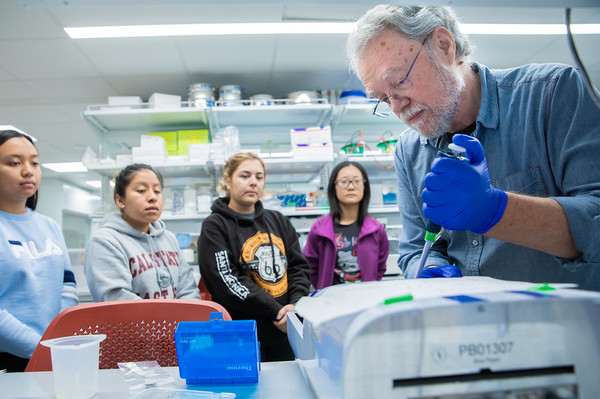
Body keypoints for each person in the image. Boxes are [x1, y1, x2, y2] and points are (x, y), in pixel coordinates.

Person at [346, 5, 600, 290]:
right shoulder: (410, 150)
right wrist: (431, 268)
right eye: (382, 98)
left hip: (569, 326)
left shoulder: (553, 94)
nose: (396, 105)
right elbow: (417, 247)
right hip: (470, 326)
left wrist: (497, 211)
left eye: (400, 82)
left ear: (443, 46)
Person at [197, 152, 310, 362]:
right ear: (227, 181)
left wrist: (295, 305)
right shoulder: (215, 226)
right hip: (241, 336)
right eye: (245, 176)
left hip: (285, 332)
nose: (253, 182)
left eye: (259, 177)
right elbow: (227, 281)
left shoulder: (278, 221)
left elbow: (298, 268)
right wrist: (276, 312)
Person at [0, 129, 78, 372]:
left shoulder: (49, 226)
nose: (28, 170)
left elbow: (67, 288)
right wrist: (39, 347)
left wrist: (60, 338)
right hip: (9, 358)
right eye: (14, 163)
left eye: (34, 162)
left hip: (54, 351)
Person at [84, 163, 201, 301]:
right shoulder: (104, 242)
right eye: (141, 190)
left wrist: (185, 321)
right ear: (120, 200)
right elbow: (117, 301)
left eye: (157, 191)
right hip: (132, 323)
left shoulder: (169, 239)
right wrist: (165, 321)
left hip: (177, 323)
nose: (152, 197)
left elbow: (188, 291)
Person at [303, 161, 389, 289]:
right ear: (334, 186)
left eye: (356, 181)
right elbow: (310, 267)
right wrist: (323, 289)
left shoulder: (376, 229)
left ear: (365, 186)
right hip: (331, 302)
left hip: (366, 300)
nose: (351, 187)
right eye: (344, 181)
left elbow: (380, 267)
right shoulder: (319, 229)